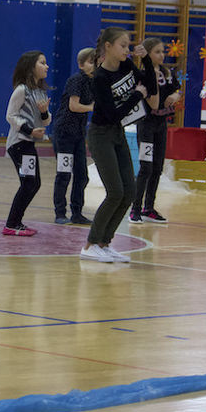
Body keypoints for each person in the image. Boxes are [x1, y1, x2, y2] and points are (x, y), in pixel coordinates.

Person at [81, 27, 155, 263]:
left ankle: (104, 243)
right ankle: (90, 245)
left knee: (129, 192)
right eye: (123, 45)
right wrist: (136, 96)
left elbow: (150, 87)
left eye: (128, 45)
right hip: (101, 135)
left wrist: (147, 61)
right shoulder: (100, 78)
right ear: (108, 47)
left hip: (117, 134)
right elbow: (113, 115)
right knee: (115, 192)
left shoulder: (126, 66)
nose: (127, 50)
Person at [129, 37, 181, 225]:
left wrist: (174, 96)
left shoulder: (167, 73)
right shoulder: (143, 74)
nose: (162, 55)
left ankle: (148, 208)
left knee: (158, 167)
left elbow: (177, 90)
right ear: (148, 54)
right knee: (146, 167)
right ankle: (135, 209)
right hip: (146, 124)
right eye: (157, 51)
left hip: (161, 124)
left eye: (163, 51)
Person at [2, 51, 51, 237]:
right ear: (31, 67)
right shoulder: (21, 90)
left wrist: (44, 113)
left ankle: (16, 222)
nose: (46, 66)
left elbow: (46, 121)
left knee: (33, 183)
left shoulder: (40, 91)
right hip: (19, 144)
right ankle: (11, 224)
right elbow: (10, 116)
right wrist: (29, 130)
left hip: (29, 144)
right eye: (42, 63)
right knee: (29, 183)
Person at [51, 47, 96, 225]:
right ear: (81, 64)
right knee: (64, 174)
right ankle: (60, 213)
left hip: (78, 133)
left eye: (96, 62)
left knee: (82, 175)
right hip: (64, 132)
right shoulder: (76, 80)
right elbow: (74, 106)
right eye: (91, 62)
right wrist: (92, 107)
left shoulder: (94, 82)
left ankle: (77, 213)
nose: (95, 65)